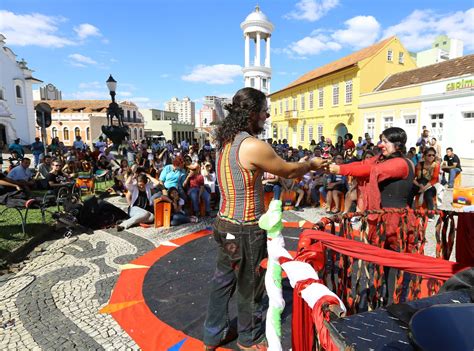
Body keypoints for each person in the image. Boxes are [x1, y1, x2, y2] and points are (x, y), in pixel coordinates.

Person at [203, 87, 327, 350]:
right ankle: (248, 339)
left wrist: (262, 176)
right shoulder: (253, 145)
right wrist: (310, 164)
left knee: (222, 282)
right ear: (251, 114)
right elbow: (290, 170)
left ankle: (213, 335)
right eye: (263, 111)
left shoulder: (225, 142)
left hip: (223, 224)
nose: (266, 115)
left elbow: (243, 176)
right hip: (245, 229)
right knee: (251, 285)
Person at [329, 127, 415, 252]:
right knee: (380, 261)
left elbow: (373, 170)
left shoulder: (401, 163)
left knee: (394, 259)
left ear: (397, 145)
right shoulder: (382, 159)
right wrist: (335, 166)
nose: (380, 145)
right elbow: (363, 164)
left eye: (385, 142)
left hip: (395, 220)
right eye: (381, 141)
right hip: (382, 216)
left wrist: (340, 170)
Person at [410, 147, 440, 219]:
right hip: (419, 184)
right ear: (425, 156)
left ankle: (430, 214)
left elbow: (434, 180)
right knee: (410, 193)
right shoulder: (419, 165)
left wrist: (424, 188)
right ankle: (407, 211)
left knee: (428, 195)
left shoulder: (436, 165)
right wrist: (419, 186)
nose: (431, 157)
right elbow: (412, 178)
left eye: (433, 155)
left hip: (430, 185)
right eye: (429, 155)